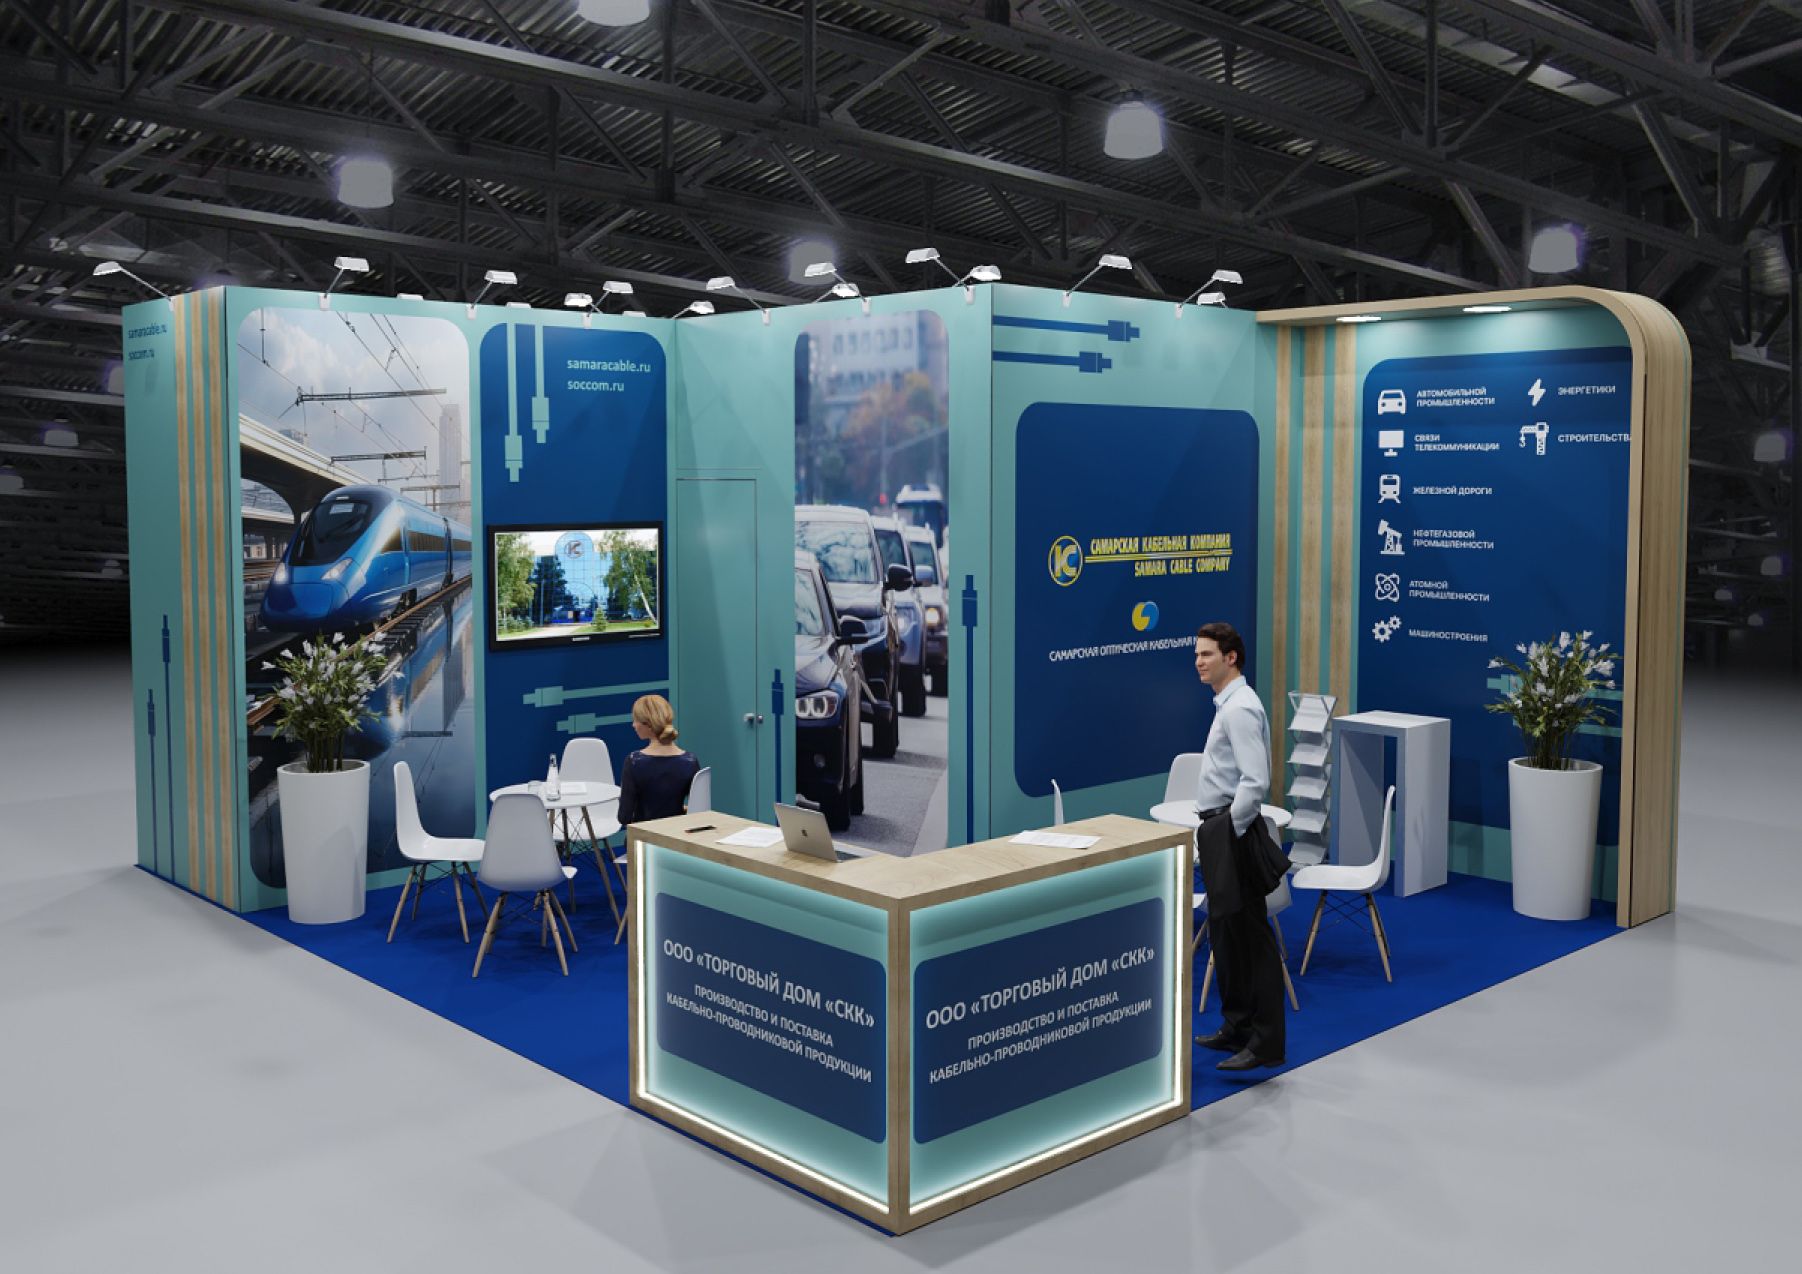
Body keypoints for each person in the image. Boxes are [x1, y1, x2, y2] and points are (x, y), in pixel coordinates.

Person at [1191, 621, 1290, 1072]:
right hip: (1221, 828)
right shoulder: (1228, 704)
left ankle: (1265, 1042)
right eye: (1197, 654)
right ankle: (1237, 1027)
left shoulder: (1241, 708)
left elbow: (1255, 781)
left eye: (1207, 654)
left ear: (1231, 658)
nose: (1198, 662)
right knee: (1226, 935)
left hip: (1233, 831)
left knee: (1251, 937)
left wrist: (1228, 834)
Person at [616, 694, 700, 826]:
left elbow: (624, 817)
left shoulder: (634, 761)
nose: (633, 725)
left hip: (644, 836)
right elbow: (699, 812)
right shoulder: (690, 761)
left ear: (649, 725)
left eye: (636, 720)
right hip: (677, 835)